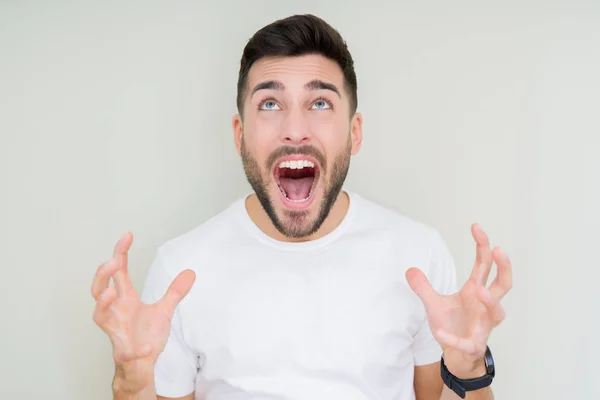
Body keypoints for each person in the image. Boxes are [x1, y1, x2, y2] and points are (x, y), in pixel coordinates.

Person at [91, 14, 512, 400]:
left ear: (355, 133)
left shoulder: (418, 257)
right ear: (239, 135)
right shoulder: (179, 272)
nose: (295, 130)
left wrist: (468, 367)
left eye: (320, 103)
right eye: (270, 104)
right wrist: (132, 379)